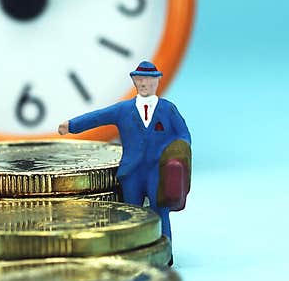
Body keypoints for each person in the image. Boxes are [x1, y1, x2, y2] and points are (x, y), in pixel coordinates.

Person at [58, 61, 191, 262]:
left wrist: (177, 151)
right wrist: (72, 125)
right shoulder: (123, 109)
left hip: (158, 171)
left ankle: (165, 253)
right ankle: (133, 254)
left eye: (149, 79)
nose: (144, 83)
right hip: (132, 173)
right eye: (140, 79)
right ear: (134, 81)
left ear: (157, 81)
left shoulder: (168, 110)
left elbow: (183, 134)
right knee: (131, 213)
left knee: (160, 212)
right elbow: (98, 117)